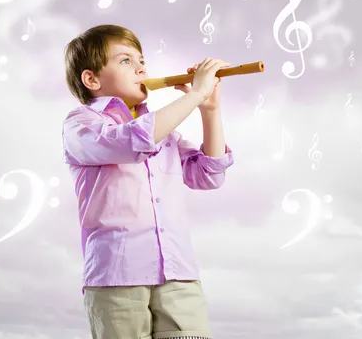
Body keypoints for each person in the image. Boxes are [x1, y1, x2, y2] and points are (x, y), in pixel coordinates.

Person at [62, 24, 235, 339]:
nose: (141, 67)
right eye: (126, 60)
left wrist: (210, 109)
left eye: (142, 60)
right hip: (117, 276)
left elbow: (209, 175)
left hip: (179, 271)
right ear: (92, 79)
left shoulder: (162, 130)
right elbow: (132, 141)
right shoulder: (81, 124)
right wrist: (195, 94)